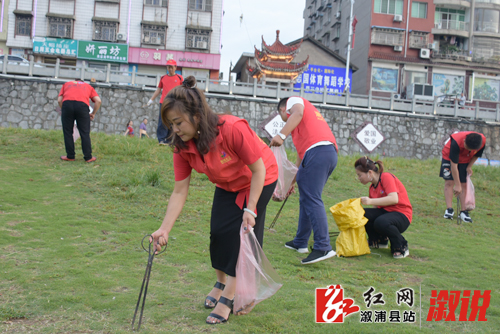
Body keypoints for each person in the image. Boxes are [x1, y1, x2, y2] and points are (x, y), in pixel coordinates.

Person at [150, 76, 278, 325]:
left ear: (196, 115)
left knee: (239, 236)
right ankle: (221, 283)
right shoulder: (182, 146)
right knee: (219, 233)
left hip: (258, 178)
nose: (174, 130)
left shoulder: (231, 129)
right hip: (228, 184)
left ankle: (230, 296)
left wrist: (251, 209)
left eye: (178, 123)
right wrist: (164, 229)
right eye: (170, 124)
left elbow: (259, 170)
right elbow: (179, 191)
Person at [270, 97, 338, 265]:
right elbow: (301, 157)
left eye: (281, 114)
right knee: (307, 197)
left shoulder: (295, 102)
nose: (283, 118)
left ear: (283, 109)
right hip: (324, 153)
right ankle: (300, 241)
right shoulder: (301, 128)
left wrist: (281, 135)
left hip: (319, 152)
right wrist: (291, 183)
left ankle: (323, 246)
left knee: (312, 198)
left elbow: (298, 112)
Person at [354, 157, 412, 259]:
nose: (359, 178)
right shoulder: (372, 187)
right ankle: (378, 240)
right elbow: (375, 210)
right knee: (362, 214)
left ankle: (401, 245)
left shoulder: (386, 177)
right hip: (386, 213)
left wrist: (370, 201)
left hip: (402, 215)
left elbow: (394, 199)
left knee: (381, 222)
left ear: (370, 173)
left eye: (360, 175)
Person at [440, 131, 486, 223]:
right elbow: (454, 166)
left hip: (466, 158)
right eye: (466, 146)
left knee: (464, 184)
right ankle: (449, 209)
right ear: (464, 140)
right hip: (449, 157)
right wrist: (457, 185)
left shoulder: (482, 141)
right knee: (449, 182)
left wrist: (469, 166)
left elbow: (477, 155)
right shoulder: (456, 142)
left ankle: (463, 211)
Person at [58, 79, 101, 163]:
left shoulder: (66, 84)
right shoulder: (88, 86)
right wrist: (93, 113)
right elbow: (98, 101)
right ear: (82, 82)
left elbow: (59, 100)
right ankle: (88, 157)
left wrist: (64, 109)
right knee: (84, 132)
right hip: (82, 106)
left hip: (67, 105)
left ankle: (70, 156)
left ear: (75, 81)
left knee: (68, 132)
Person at [147, 59, 183, 145]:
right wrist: (151, 100)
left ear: (175, 67)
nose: (170, 69)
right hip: (163, 102)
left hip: (175, 103)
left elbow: (182, 90)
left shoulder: (179, 78)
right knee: (162, 121)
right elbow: (159, 89)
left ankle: (168, 140)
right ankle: (161, 140)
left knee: (172, 121)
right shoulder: (163, 78)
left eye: (171, 67)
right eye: (168, 67)